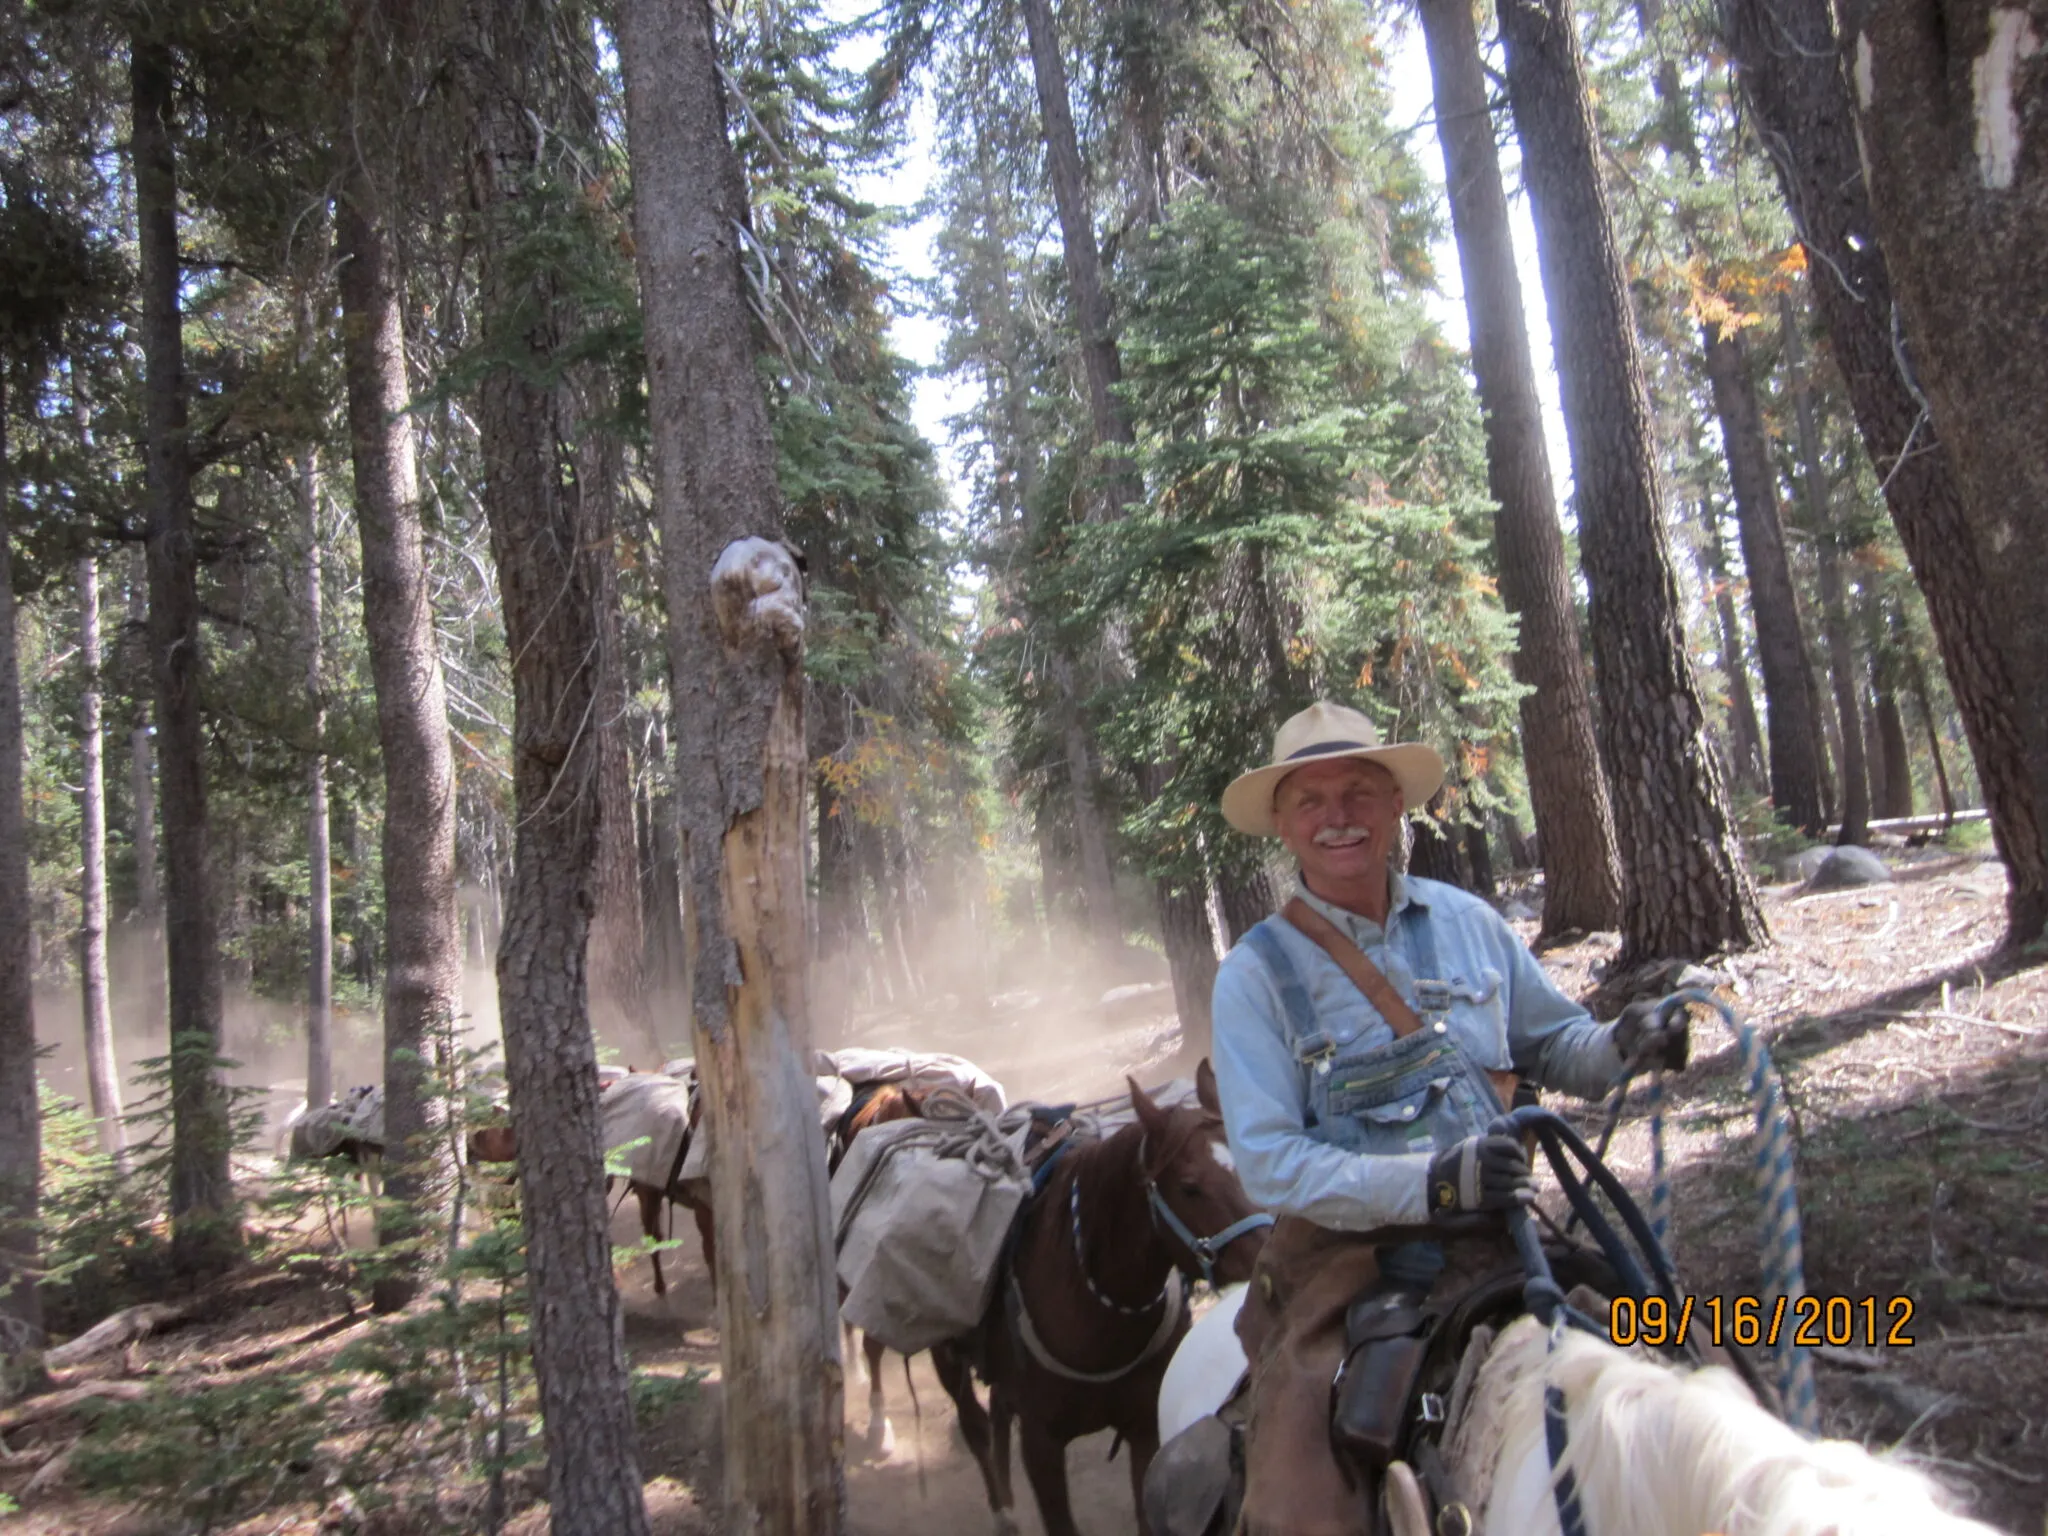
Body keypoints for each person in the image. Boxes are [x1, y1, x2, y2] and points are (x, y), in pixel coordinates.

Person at [1210, 700, 1687, 1536]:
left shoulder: (1471, 924)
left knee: (1694, 1360)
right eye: (1311, 802)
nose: (1338, 819)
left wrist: (1625, 1040)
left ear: (1397, 802)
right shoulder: (1254, 976)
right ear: (1281, 824)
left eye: (1359, 792)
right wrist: (1428, 1182)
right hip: (1348, 1265)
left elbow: (1559, 1044)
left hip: (1507, 1237)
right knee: (1296, 1511)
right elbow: (1269, 1162)